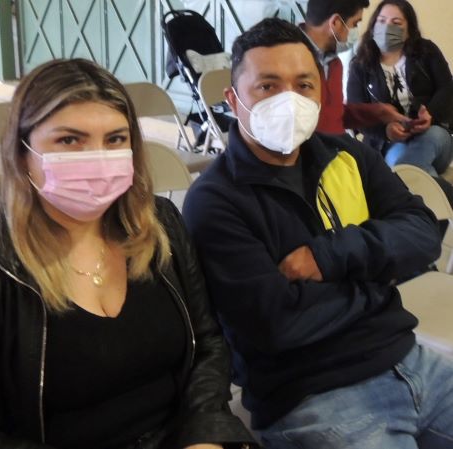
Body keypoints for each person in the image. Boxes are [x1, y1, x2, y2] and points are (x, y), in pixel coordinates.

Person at [0, 58, 256, 449]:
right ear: (22, 153)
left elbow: (208, 344)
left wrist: (204, 433)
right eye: (69, 140)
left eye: (115, 139)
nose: (98, 158)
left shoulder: (158, 225)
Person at [183, 17, 453, 448]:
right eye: (268, 86)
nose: (289, 100)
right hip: (314, 395)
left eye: (304, 85)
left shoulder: (348, 156)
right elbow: (275, 325)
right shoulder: (214, 201)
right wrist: (379, 285)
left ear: (321, 92)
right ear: (233, 100)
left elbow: (423, 234)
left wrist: (329, 256)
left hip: (411, 359)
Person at [347, 0, 453, 198]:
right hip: (390, 144)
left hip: (434, 135)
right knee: (402, 168)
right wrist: (386, 131)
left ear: (409, 30)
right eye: (381, 21)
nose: (387, 27)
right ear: (373, 25)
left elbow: (448, 88)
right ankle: (440, 208)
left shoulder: (427, 51)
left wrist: (430, 114)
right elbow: (356, 113)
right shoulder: (360, 65)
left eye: (396, 23)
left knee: (407, 166)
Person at [301, 0, 406, 135]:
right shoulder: (290, 59)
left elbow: (333, 114)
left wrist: (378, 112)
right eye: (355, 24)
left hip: (336, 141)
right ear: (336, 22)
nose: (356, 31)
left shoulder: (333, 63)